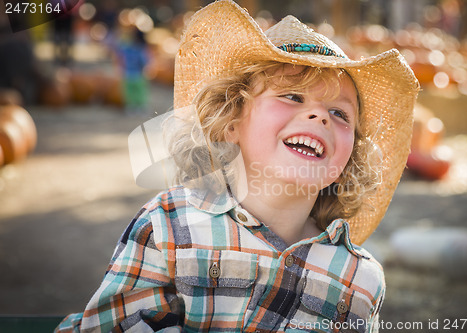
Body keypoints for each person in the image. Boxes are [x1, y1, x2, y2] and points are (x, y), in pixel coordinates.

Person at [55, 1, 419, 332]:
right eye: (292, 96)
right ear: (231, 122)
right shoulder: (170, 227)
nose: (318, 115)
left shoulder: (359, 279)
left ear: (349, 158)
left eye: (339, 114)